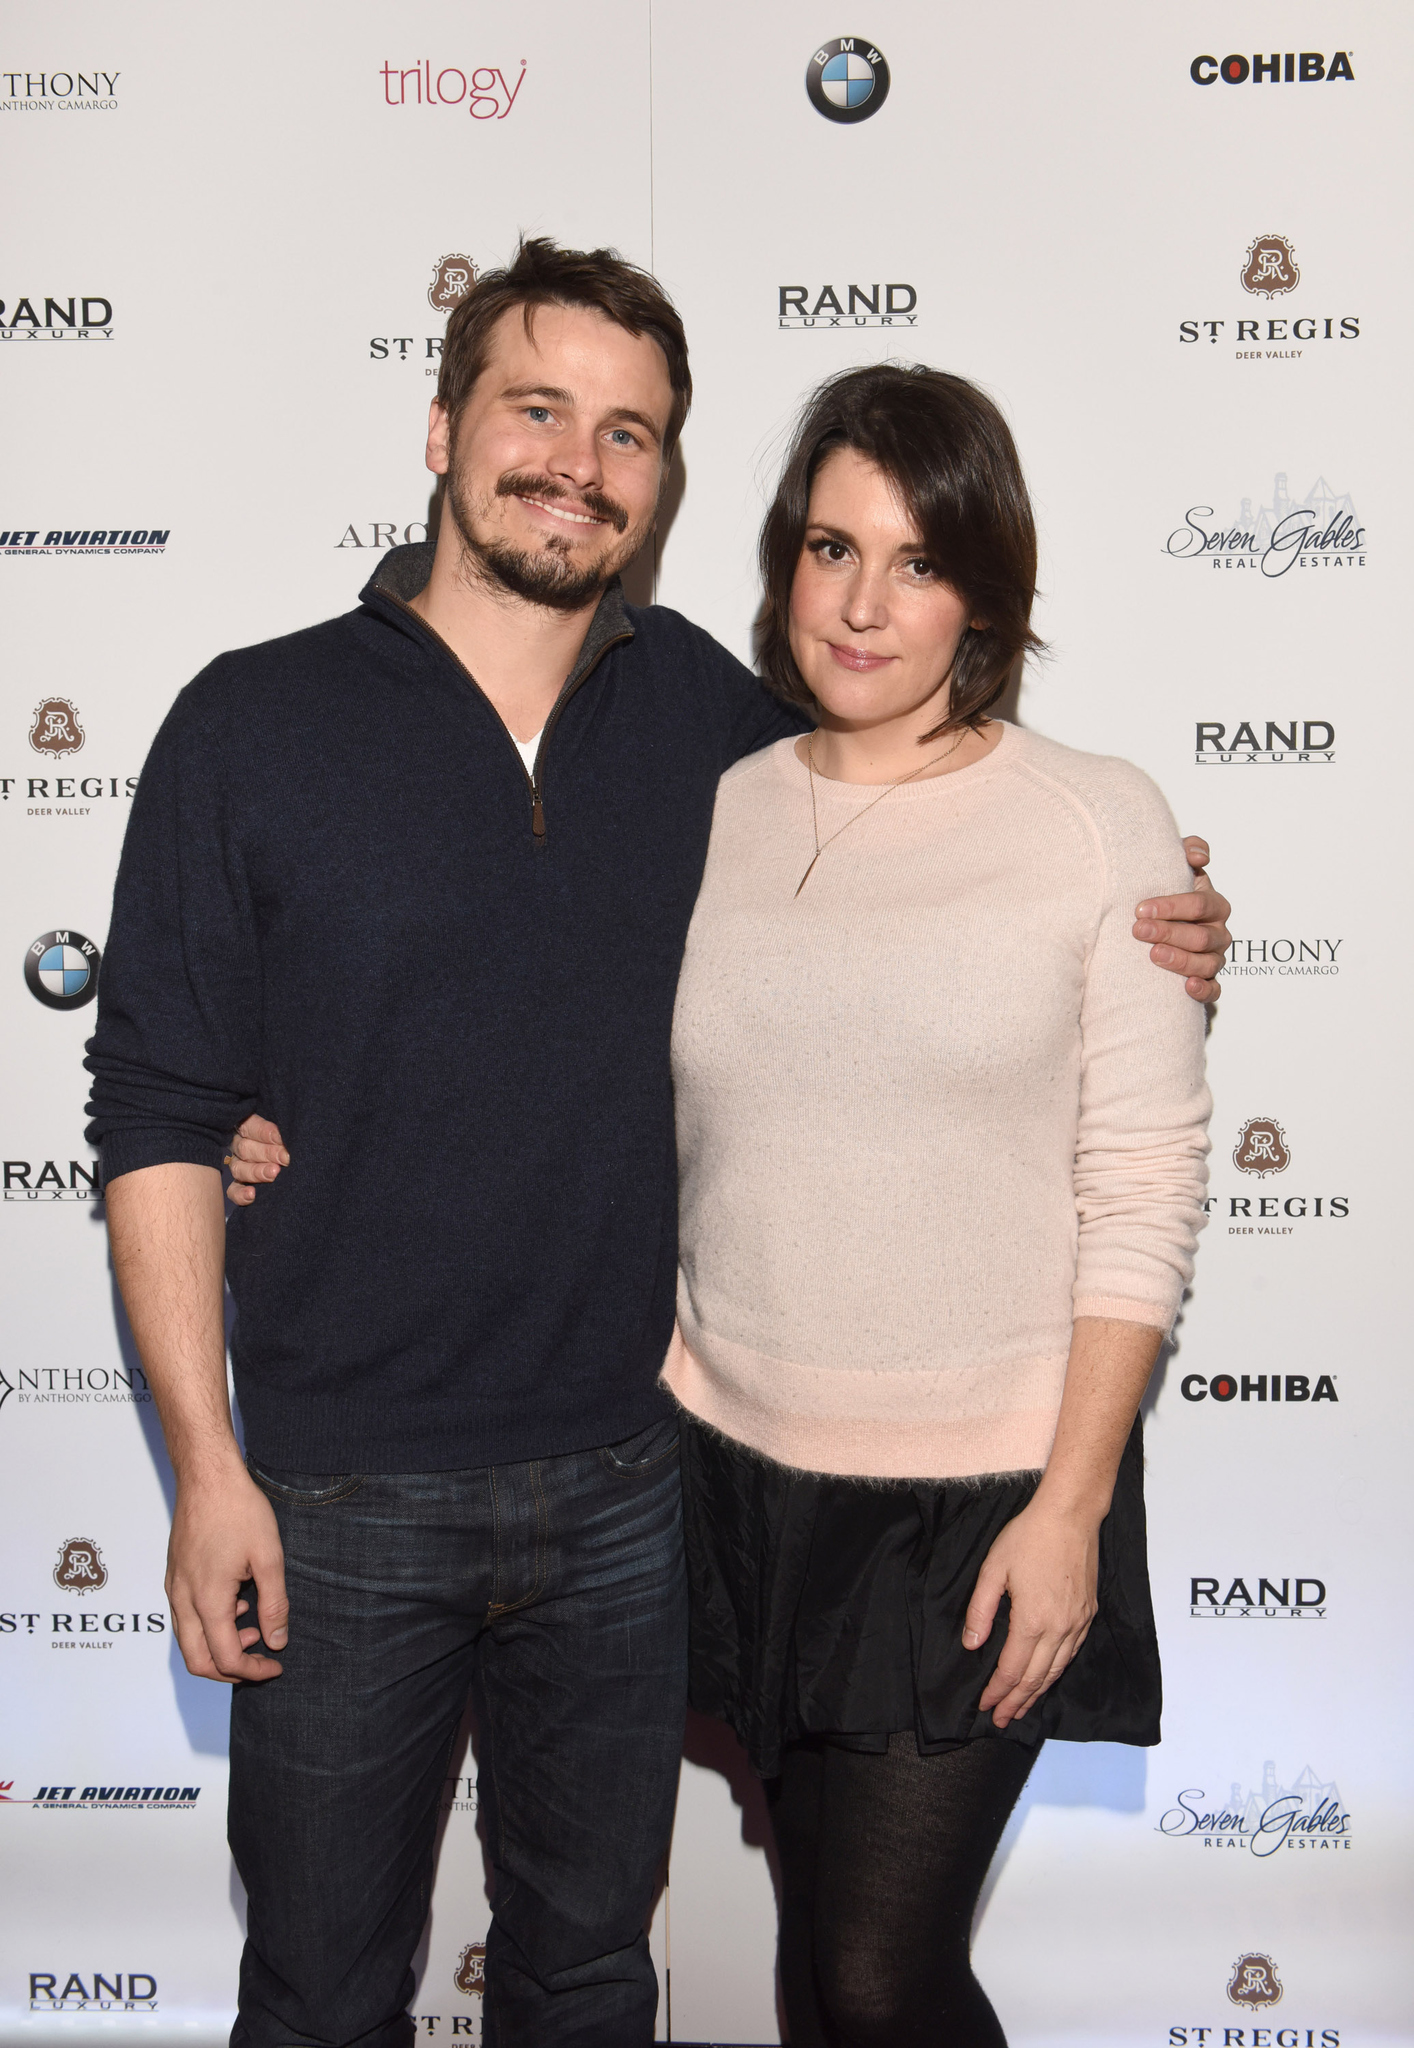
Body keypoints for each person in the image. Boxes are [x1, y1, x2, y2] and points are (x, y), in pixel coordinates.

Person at [89, 240, 1228, 2048]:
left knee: (596, 1979)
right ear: (446, 421)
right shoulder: (255, 721)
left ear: (665, 478)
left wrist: (1173, 920)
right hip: (341, 1491)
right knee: (314, 1995)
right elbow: (152, 1107)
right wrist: (204, 1466)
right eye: (537, 409)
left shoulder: (707, 714)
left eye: (629, 433)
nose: (577, 462)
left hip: (635, 1486)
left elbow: (946, 826)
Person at [658, 363, 1212, 2047]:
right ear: (780, 561)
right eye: (830, 549)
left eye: (914, 560)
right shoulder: (724, 801)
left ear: (984, 586)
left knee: (881, 1976)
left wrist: (1069, 1510)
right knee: (814, 1956)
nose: (861, 603)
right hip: (730, 1474)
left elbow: (1140, 1186)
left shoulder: (1090, 818)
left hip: (976, 1505)